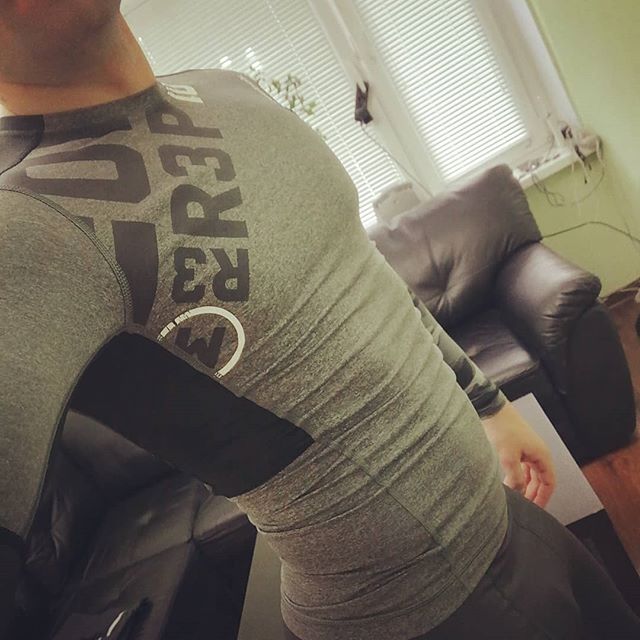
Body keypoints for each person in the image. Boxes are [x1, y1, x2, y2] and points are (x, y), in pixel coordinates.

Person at [0, 2, 637, 639]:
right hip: (422, 614)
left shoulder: (226, 91)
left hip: (505, 519)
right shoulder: (22, 228)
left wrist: (486, 402)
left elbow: (367, 274)